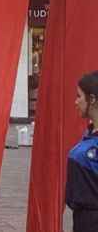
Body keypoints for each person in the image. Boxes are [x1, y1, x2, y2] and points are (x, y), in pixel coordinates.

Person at [66, 71, 98, 231]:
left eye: (79, 96)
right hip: (82, 220)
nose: (75, 102)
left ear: (92, 99)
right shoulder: (90, 134)